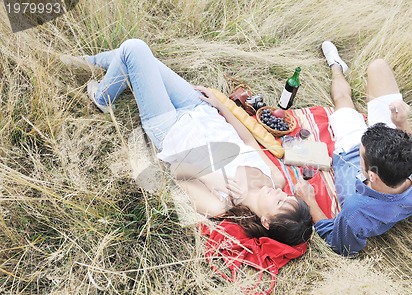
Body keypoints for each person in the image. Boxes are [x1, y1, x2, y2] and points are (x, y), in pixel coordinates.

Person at [61, 39, 312, 246]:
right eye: (286, 195)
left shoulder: (219, 204)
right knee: (144, 61)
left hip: (169, 127)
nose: (279, 192)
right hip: (199, 109)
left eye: (279, 202)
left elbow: (176, 171)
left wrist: (215, 178)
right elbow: (247, 139)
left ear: (267, 221)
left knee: (135, 50)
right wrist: (221, 105)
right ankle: (88, 62)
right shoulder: (274, 179)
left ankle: (102, 97)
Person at [295, 41, 412, 256]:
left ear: (371, 175)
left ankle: (336, 67)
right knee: (378, 67)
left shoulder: (357, 210)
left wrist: (309, 200)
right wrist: (401, 123)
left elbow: (340, 243)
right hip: (387, 136)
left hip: (349, 147)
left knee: (342, 99)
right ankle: (381, 122)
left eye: (362, 156)